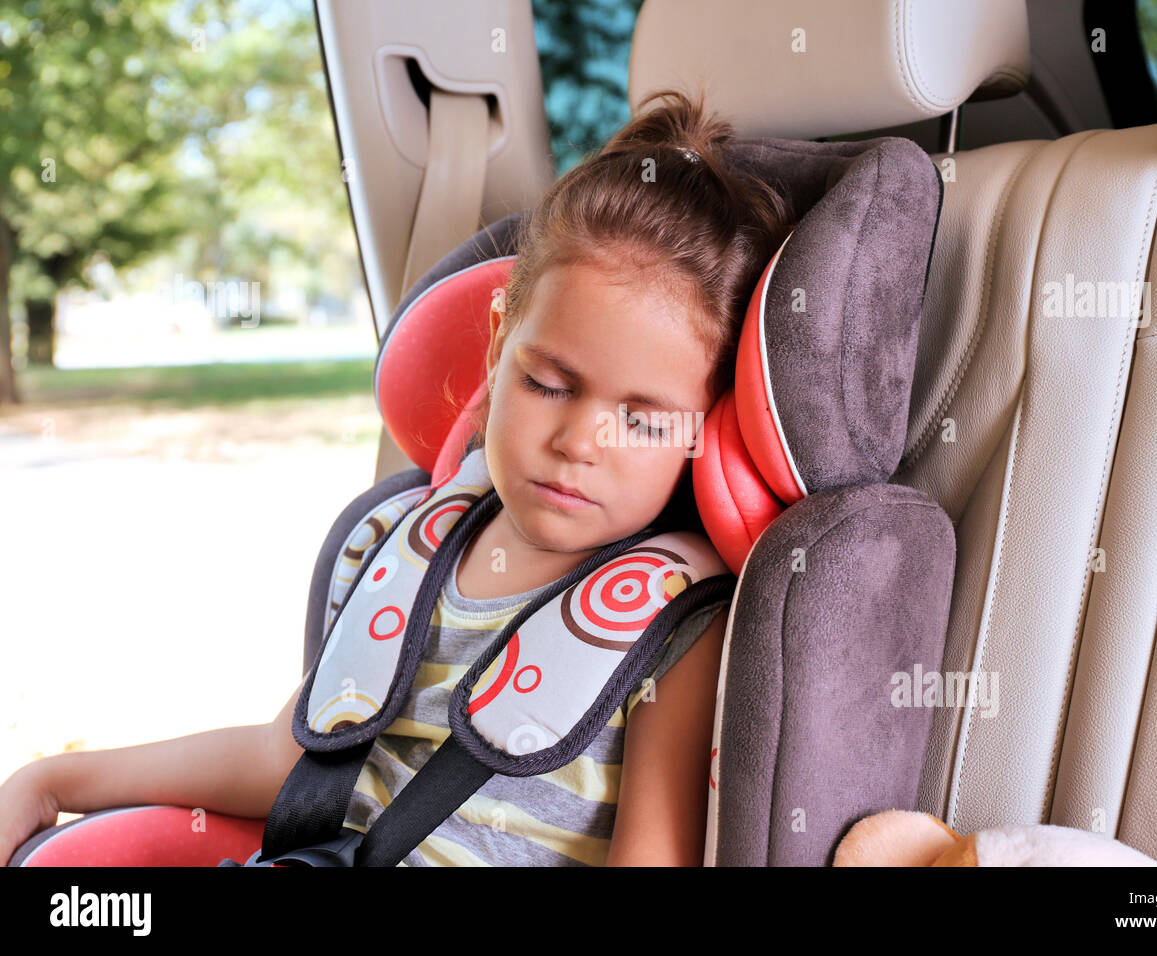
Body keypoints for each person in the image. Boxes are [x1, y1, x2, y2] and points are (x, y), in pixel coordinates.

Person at [0, 86, 796, 867]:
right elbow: (288, 755)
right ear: (496, 346)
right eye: (548, 384)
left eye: (644, 419)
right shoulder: (396, 542)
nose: (578, 442)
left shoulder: (682, 629)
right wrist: (53, 779)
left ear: (704, 426)